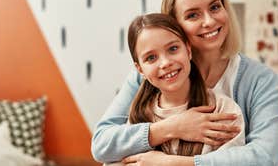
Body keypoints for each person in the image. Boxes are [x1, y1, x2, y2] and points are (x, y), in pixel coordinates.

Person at [91, 0, 278, 165]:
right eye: (193, 15)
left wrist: (173, 163)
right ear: (173, 24)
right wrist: (172, 128)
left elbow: (266, 157)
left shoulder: (259, 80)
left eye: (215, 7)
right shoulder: (148, 78)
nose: (209, 21)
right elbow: (102, 144)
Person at [105, 13, 245, 166]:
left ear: (188, 50)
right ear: (140, 70)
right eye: (151, 58)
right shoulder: (138, 116)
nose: (165, 63)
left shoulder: (223, 111)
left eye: (173, 49)